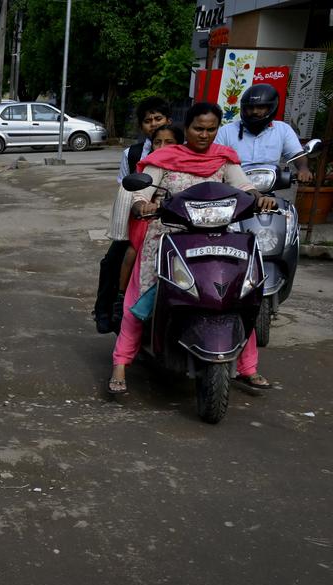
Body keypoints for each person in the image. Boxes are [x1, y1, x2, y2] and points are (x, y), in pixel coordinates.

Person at [108, 102, 274, 395]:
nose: (204, 135)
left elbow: (244, 187)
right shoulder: (165, 156)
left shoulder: (225, 158)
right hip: (167, 237)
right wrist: (141, 204)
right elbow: (142, 192)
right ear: (187, 128)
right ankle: (120, 365)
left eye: (211, 130)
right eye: (198, 128)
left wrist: (260, 198)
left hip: (218, 237)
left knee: (237, 296)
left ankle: (248, 368)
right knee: (142, 300)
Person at [96, 97, 174, 333]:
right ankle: (106, 310)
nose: (153, 124)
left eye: (158, 118)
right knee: (112, 260)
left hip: (174, 219)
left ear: (168, 120)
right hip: (139, 218)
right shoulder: (132, 154)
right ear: (142, 126)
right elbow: (125, 190)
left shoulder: (182, 150)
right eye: (148, 121)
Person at [215, 83, 313, 183]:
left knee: (282, 200)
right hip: (233, 187)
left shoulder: (283, 129)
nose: (255, 112)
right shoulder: (226, 131)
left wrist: (303, 169)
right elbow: (214, 158)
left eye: (261, 107)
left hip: (268, 188)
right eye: (250, 108)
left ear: (271, 108)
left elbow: (297, 154)